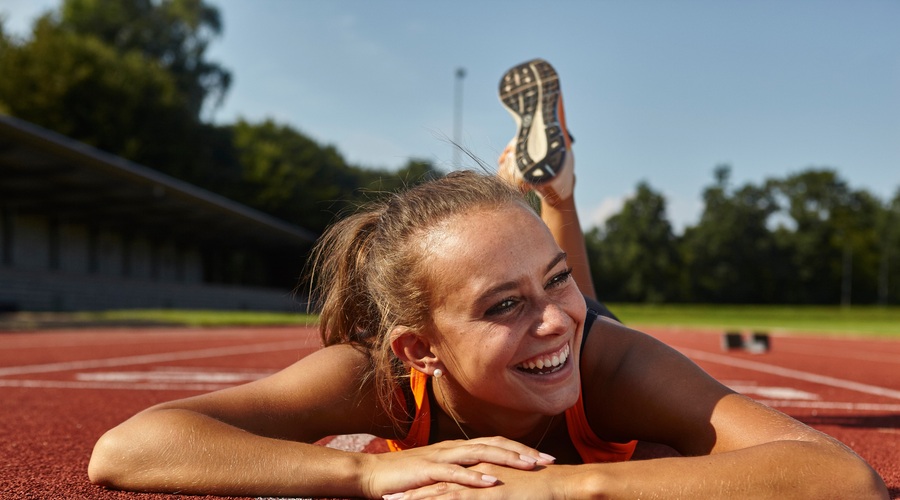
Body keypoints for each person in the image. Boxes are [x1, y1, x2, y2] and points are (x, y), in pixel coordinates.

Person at [88, 59, 888, 499]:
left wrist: (561, 494)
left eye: (550, 281)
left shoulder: (612, 365)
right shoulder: (382, 379)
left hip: (597, 364)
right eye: (501, 304)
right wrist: (366, 470)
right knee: (566, 319)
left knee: (586, 318)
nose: (548, 318)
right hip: (479, 368)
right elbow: (127, 448)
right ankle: (556, 200)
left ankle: (555, 200)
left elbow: (843, 478)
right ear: (419, 348)